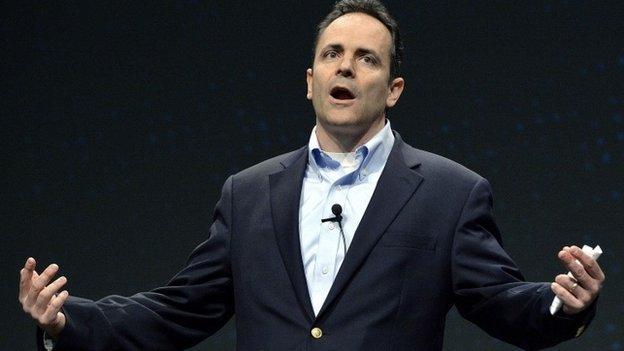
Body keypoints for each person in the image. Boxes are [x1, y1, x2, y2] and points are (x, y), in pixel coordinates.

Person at [19, 1, 605, 350]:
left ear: (393, 90)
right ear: (309, 80)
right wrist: (70, 322)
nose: (345, 66)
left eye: (366, 58)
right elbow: (176, 311)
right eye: (332, 54)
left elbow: (503, 303)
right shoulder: (248, 194)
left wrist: (564, 305)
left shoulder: (450, 194)